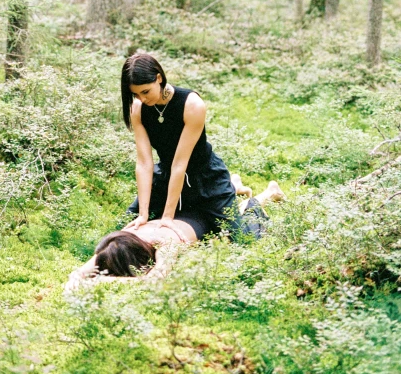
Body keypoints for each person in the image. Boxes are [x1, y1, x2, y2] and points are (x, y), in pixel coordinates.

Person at [121, 53, 274, 241]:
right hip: (166, 177)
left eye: (145, 91)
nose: (142, 99)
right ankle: (234, 185)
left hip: (206, 178)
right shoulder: (138, 108)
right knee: (127, 224)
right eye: (135, 94)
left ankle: (258, 199)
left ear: (158, 78)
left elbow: (180, 164)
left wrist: (168, 216)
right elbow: (144, 163)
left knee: (241, 239)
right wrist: (143, 213)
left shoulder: (192, 105)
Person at [65, 178, 285, 290]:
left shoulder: (165, 244)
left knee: (242, 228)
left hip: (203, 218)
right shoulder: (117, 242)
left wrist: (102, 283)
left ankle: (267, 193)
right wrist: (81, 278)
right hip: (176, 212)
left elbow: (155, 281)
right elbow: (77, 274)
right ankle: (232, 186)